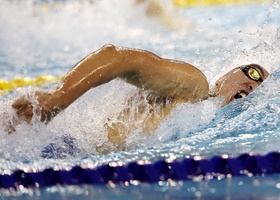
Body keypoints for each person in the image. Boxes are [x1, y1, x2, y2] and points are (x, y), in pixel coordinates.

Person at [9, 44, 269, 150]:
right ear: (226, 74)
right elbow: (120, 57)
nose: (252, 85)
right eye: (254, 73)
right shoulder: (195, 86)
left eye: (259, 88)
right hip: (60, 147)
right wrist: (59, 98)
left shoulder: (206, 123)